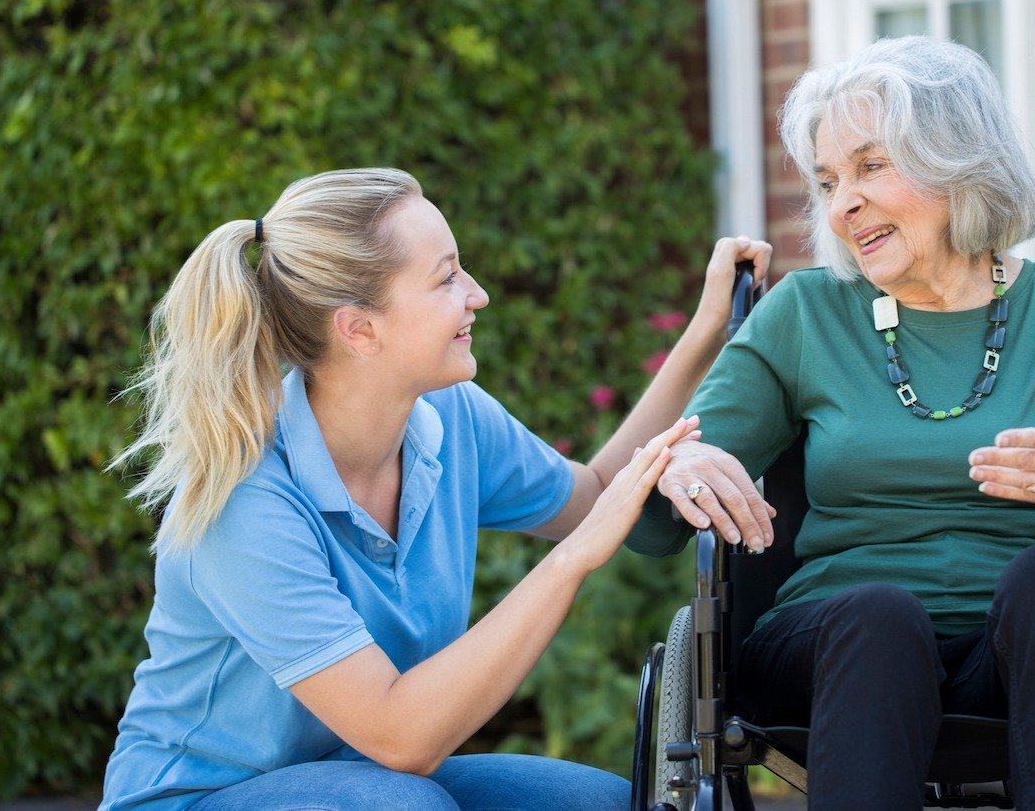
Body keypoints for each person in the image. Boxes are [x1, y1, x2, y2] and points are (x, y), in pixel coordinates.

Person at [626, 36, 1035, 809]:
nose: (841, 204)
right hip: (839, 647)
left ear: (958, 160)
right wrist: (680, 469)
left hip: (1034, 650)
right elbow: (652, 527)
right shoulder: (806, 313)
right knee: (880, 613)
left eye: (870, 166)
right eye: (828, 180)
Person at [99, 167, 771, 810]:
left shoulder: (451, 419)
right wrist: (572, 560)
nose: (476, 293)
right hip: (195, 799)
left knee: (601, 805)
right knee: (400, 804)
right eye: (447, 277)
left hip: (359, 780)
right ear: (360, 329)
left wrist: (706, 331)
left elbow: (595, 495)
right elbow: (402, 737)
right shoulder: (245, 500)